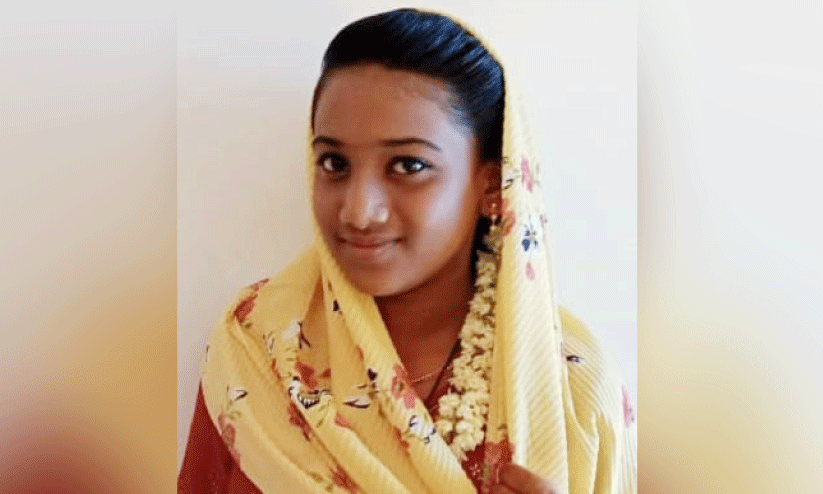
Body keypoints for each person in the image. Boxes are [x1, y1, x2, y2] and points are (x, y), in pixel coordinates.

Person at [178, 8, 636, 494]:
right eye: (334, 163)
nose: (358, 212)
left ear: (491, 184)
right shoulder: (258, 347)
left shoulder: (572, 395)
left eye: (408, 166)